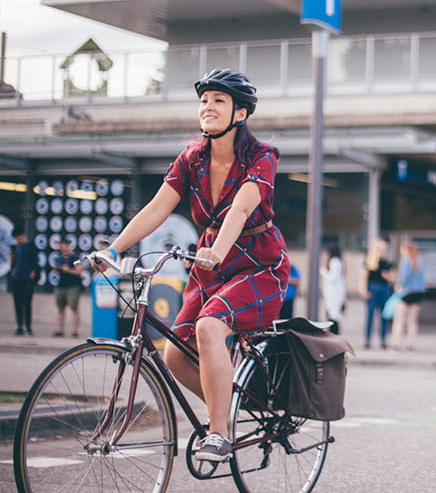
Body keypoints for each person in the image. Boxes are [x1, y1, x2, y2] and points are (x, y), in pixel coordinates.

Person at [89, 69, 289, 462]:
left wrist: (218, 249)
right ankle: (228, 404)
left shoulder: (261, 157)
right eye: (204, 100)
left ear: (241, 113)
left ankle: (219, 432)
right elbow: (157, 208)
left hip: (258, 265)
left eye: (219, 100)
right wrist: (113, 250)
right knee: (176, 355)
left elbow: (242, 207)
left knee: (209, 327)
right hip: (208, 265)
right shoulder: (192, 160)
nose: (208, 107)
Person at [359, 237, 394, 349]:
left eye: (385, 249)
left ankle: (383, 340)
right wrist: (363, 290)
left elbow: (393, 278)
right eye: (382, 249)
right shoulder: (369, 262)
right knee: (370, 315)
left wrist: (388, 277)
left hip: (384, 289)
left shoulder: (388, 263)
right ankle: (367, 339)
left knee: (384, 315)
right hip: (372, 288)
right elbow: (363, 277)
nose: (384, 251)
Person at [391, 240, 427, 351]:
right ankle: (411, 344)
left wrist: (397, 285)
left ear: (406, 250)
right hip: (418, 293)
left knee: (399, 320)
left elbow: (403, 277)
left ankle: (396, 343)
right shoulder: (419, 261)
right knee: (412, 321)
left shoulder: (406, 261)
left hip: (407, 292)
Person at [9, 226, 39, 336]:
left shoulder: (31, 246)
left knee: (27, 304)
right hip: (16, 278)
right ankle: (19, 326)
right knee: (17, 304)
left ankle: (28, 326)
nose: (17, 240)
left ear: (22, 236)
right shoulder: (15, 247)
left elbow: (36, 262)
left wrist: (33, 273)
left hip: (27, 279)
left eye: (18, 238)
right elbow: (12, 263)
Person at [53, 238, 83, 337]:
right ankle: (60, 329)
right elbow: (56, 271)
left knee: (74, 308)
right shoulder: (59, 258)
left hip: (73, 285)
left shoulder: (76, 257)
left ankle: (75, 330)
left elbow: (79, 271)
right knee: (61, 308)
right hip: (61, 285)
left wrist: (68, 270)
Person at [320, 245, 346, 334]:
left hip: (334, 293)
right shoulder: (340, 262)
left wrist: (323, 271)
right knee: (334, 314)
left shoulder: (334, 262)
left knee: (332, 314)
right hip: (336, 292)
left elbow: (332, 277)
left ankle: (332, 333)